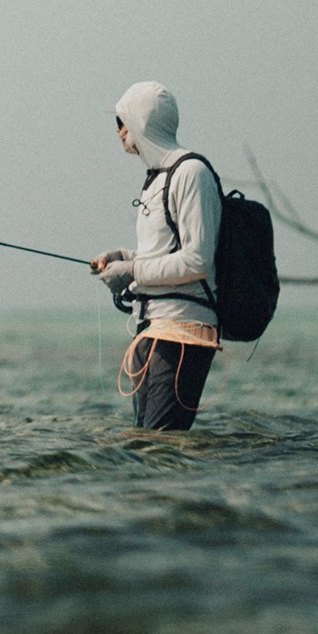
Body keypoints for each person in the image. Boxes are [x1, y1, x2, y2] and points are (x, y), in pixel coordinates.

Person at [91, 81, 220, 431]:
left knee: (163, 440)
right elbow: (164, 254)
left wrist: (131, 269)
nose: (118, 131)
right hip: (152, 328)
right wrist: (123, 257)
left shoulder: (192, 173)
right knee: (146, 446)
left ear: (140, 123)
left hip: (184, 332)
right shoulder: (156, 180)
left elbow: (197, 259)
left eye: (122, 120)